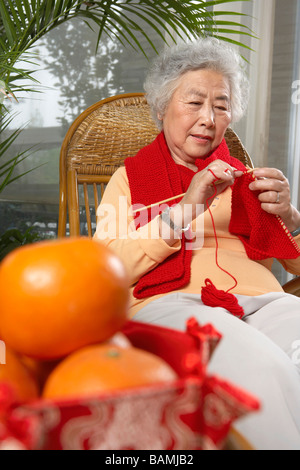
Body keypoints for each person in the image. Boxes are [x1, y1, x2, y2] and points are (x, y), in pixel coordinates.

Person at [94, 37, 300, 450]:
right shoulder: (129, 180)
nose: (208, 118)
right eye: (194, 103)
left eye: (221, 106)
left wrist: (290, 218)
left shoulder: (247, 180)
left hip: (264, 301)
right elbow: (105, 269)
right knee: (256, 367)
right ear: (162, 107)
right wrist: (184, 210)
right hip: (172, 303)